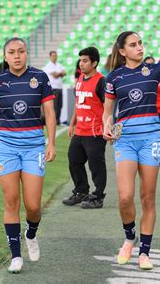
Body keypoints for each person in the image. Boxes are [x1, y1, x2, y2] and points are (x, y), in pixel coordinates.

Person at [103, 9, 160, 270]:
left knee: (147, 198)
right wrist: (106, 127)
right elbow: (107, 112)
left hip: (151, 139)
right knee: (124, 197)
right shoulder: (114, 78)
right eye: (133, 45)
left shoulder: (154, 70)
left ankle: (144, 251)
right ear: (122, 51)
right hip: (126, 141)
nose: (139, 47)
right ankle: (129, 236)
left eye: (141, 43)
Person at [0, 37, 56, 274]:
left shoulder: (40, 78)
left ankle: (31, 233)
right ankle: (15, 256)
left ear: (27, 54)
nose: (16, 56)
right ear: (5, 57)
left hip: (34, 146)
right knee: (11, 200)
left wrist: (51, 142)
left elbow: (50, 113)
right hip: (6, 146)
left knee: (33, 206)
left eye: (21, 51)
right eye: (11, 52)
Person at [63, 47, 107, 209]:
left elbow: (107, 106)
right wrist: (72, 123)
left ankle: (98, 196)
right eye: (80, 60)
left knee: (96, 165)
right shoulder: (80, 78)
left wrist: (108, 127)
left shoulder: (101, 81)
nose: (81, 64)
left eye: (85, 60)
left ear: (94, 63)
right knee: (74, 160)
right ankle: (81, 191)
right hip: (80, 130)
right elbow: (78, 103)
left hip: (95, 131)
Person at [43, 51, 66, 125]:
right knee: (54, 105)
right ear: (50, 57)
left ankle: (58, 121)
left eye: (55, 56)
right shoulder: (48, 66)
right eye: (53, 56)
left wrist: (59, 73)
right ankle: (53, 121)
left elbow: (64, 73)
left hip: (59, 87)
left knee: (60, 105)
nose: (55, 57)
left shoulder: (59, 65)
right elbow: (55, 75)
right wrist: (60, 74)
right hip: (53, 88)